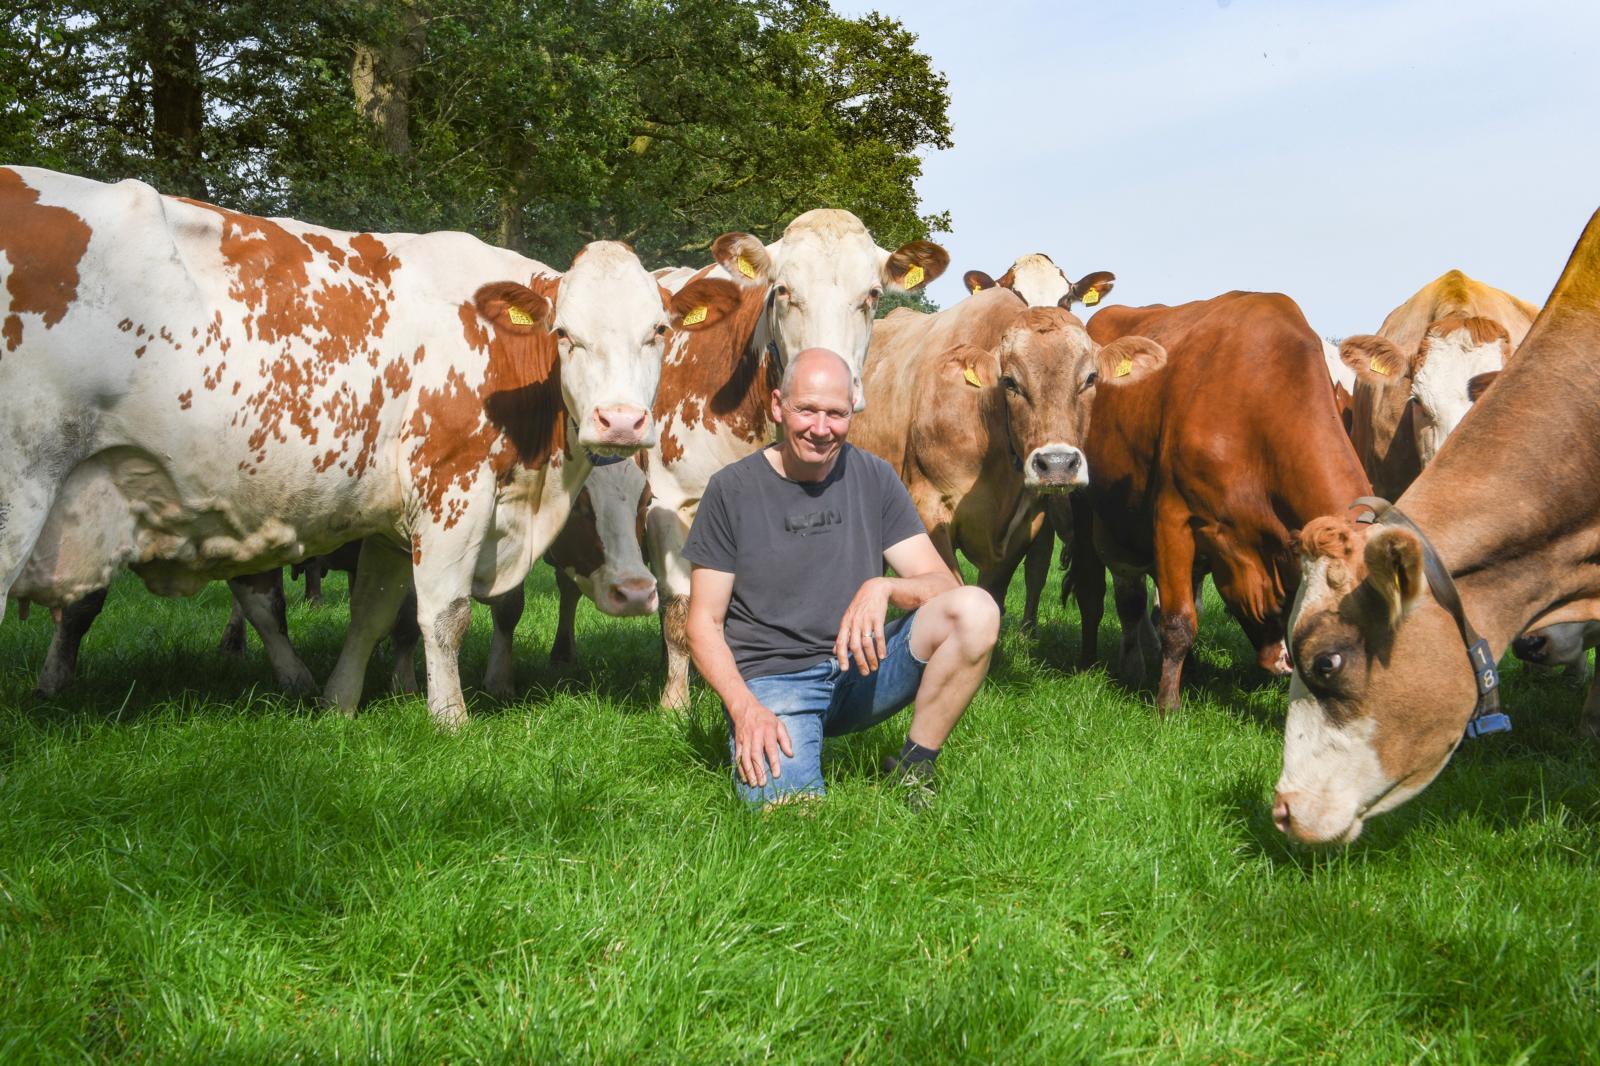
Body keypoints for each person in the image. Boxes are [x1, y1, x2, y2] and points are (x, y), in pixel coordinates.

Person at [683, 347, 1002, 807]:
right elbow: (703, 624)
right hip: (776, 682)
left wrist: (885, 586)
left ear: (852, 411)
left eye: (835, 413)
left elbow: (943, 587)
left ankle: (914, 766)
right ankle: (775, 738)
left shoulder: (873, 476)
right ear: (777, 406)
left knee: (976, 610)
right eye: (806, 410)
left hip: (863, 665)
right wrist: (744, 709)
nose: (820, 428)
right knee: (793, 821)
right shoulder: (731, 490)